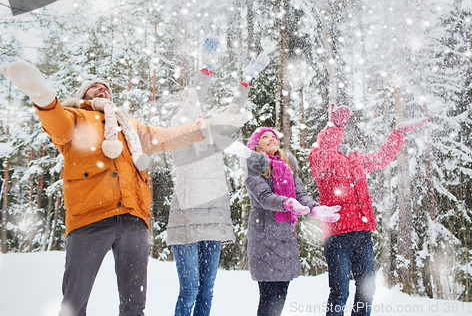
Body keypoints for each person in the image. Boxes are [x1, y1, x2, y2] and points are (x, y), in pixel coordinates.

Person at [1, 60, 251, 316]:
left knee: (134, 306)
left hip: (133, 219)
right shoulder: (76, 118)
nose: (102, 90)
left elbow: (168, 137)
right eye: (94, 87)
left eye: (105, 88)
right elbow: (56, 123)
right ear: (83, 96)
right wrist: (42, 96)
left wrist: (209, 127)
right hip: (89, 219)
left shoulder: (128, 126)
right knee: (74, 304)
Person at [167, 36, 270, 316]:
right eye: (195, 115)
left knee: (206, 290)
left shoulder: (215, 139)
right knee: (189, 289)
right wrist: (206, 70)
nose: (200, 116)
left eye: (202, 115)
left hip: (214, 220)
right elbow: (192, 102)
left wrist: (245, 82)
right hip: (187, 221)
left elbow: (232, 113)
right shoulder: (179, 138)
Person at [309, 104, 427, 316]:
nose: (338, 138)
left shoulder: (356, 160)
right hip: (337, 236)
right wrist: (335, 125)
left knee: (367, 290)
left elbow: (382, 157)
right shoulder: (320, 159)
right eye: (332, 136)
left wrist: (398, 133)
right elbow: (326, 149)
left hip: (362, 234)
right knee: (340, 292)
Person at [244, 127, 341, 316]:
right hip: (264, 238)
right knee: (269, 298)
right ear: (256, 146)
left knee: (281, 296)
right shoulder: (253, 167)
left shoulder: (287, 166)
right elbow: (264, 197)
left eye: (273, 136)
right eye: (265, 137)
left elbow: (301, 195)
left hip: (285, 237)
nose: (271, 139)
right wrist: (287, 203)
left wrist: (314, 208)